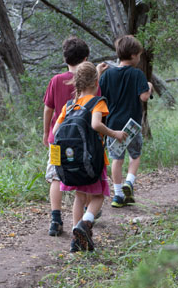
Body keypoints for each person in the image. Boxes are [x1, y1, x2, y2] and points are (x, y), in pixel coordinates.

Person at [53, 62, 127, 252]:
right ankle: (85, 224)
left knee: (79, 196)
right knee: (98, 196)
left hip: (73, 162)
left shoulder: (69, 106)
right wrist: (114, 133)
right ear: (96, 81)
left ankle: (75, 239)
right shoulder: (98, 102)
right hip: (93, 161)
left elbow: (55, 132)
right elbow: (95, 125)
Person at [99, 35, 153, 208]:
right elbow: (144, 97)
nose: (139, 58)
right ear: (132, 55)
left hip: (113, 125)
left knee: (116, 159)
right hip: (132, 125)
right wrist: (149, 86)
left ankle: (118, 195)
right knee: (135, 155)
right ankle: (129, 182)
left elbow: (100, 97)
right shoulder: (137, 74)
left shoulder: (108, 75)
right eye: (138, 55)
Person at [43, 36, 90, 236]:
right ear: (86, 58)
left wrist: (46, 133)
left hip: (58, 140)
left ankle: (55, 220)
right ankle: (84, 216)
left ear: (65, 59)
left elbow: (48, 109)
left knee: (55, 176)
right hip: (83, 142)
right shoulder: (91, 82)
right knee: (84, 177)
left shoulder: (56, 80)